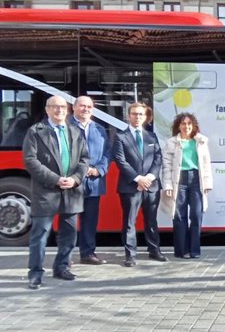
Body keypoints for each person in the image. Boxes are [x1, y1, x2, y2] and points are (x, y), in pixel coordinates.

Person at [23, 95, 89, 289]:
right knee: (40, 234)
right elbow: (30, 161)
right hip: (46, 191)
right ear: (47, 110)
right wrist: (56, 179)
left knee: (69, 234)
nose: (59, 110)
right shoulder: (36, 131)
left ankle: (61, 267)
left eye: (62, 107)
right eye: (55, 107)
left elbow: (85, 159)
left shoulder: (75, 131)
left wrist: (76, 179)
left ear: (67, 110)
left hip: (72, 191)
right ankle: (35, 273)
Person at [112, 102, 167, 267]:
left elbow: (158, 159)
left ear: (145, 117)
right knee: (130, 221)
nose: (137, 117)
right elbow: (120, 161)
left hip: (151, 186)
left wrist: (149, 178)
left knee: (151, 220)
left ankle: (154, 250)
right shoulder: (120, 136)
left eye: (141, 114)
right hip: (130, 187)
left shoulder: (152, 137)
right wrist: (138, 179)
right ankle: (130, 255)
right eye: (134, 114)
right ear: (128, 116)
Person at [161, 113, 213, 259]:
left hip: (197, 180)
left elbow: (206, 164)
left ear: (194, 125)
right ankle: (182, 250)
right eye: (183, 123)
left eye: (189, 123)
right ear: (178, 126)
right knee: (179, 217)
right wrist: (168, 186)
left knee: (197, 215)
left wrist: (208, 183)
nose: (186, 126)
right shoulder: (171, 143)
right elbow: (167, 166)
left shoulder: (201, 141)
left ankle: (194, 250)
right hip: (179, 180)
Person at [70, 96, 110, 265]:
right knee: (69, 221)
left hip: (93, 183)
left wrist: (99, 170)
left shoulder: (100, 129)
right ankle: (66, 256)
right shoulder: (66, 127)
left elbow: (108, 153)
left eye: (89, 107)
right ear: (74, 107)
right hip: (72, 182)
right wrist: (81, 170)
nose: (85, 109)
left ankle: (88, 254)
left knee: (90, 220)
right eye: (82, 106)